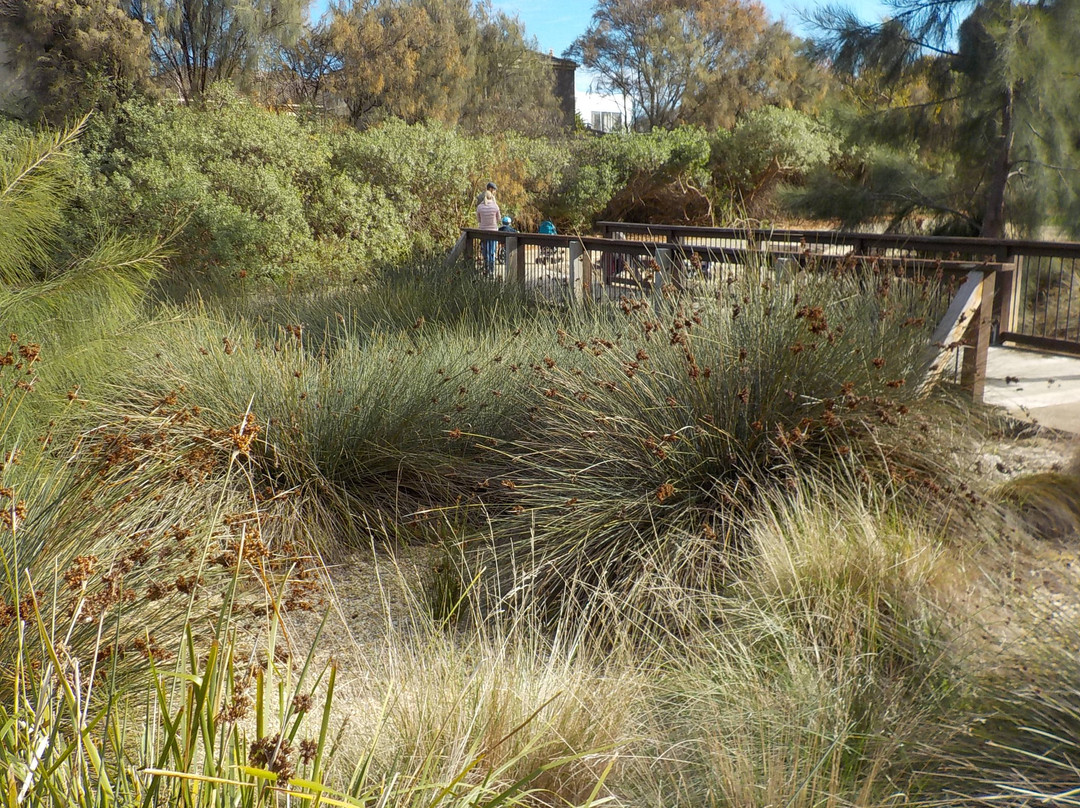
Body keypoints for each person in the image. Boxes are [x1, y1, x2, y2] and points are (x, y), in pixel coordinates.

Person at [476, 185, 500, 274]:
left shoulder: (479, 207)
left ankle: (486, 267)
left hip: (483, 231)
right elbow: (499, 219)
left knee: (485, 250)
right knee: (492, 250)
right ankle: (491, 270)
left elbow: (478, 220)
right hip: (493, 230)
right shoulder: (495, 206)